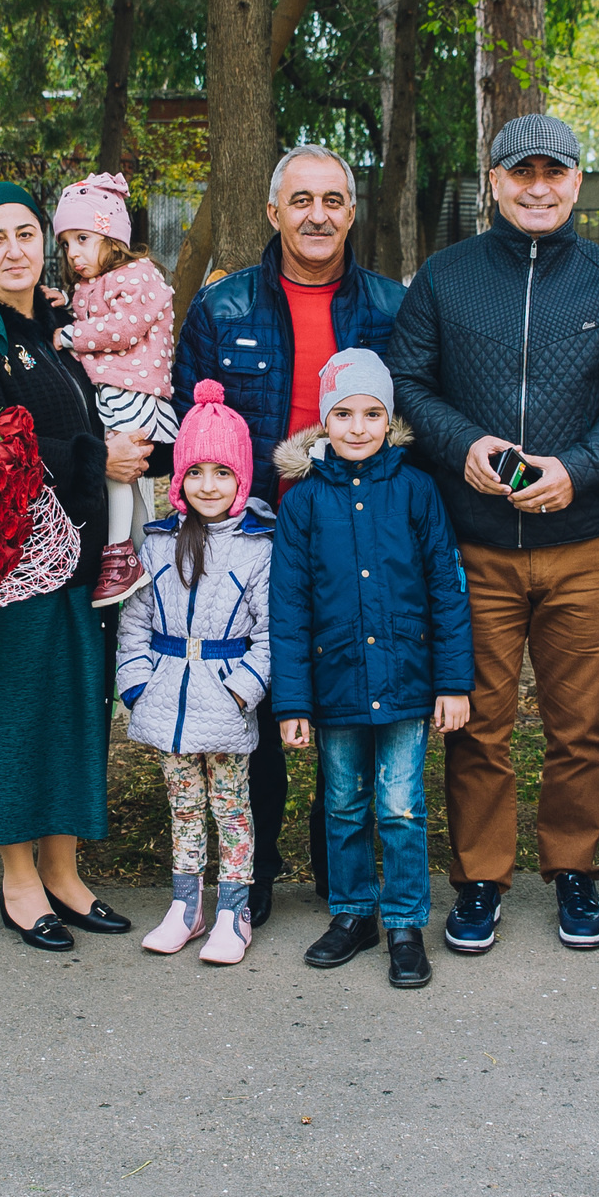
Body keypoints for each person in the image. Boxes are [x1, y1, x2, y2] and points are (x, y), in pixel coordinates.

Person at [390, 113, 599, 954]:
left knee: (580, 725)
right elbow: (407, 379)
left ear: (577, 183)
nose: (539, 187)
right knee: (479, 723)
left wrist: (578, 467)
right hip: (472, 546)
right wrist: (463, 444)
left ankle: (575, 872)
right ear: (496, 183)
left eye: (555, 172)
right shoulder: (445, 277)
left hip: (584, 544)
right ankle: (480, 881)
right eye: (522, 173)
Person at [172, 144, 407, 923]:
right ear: (274, 213)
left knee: (350, 702)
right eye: (300, 200)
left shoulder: (389, 308)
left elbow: (415, 421)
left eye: (333, 200)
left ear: (350, 213)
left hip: (358, 540)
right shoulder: (223, 307)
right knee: (258, 711)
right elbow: (193, 424)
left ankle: (339, 865)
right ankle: (258, 868)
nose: (317, 214)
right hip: (254, 539)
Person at [0, 182, 150, 953]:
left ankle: (65, 869)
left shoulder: (55, 324)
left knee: (70, 713)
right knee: (11, 718)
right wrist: (97, 456)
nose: (16, 249)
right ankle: (18, 879)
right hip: (6, 567)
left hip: (77, 558)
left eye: (26, 233)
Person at [270, 350, 475, 989]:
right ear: (323, 421)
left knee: (400, 806)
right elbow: (289, 605)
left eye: (372, 413)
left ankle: (406, 921)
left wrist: (453, 682)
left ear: (390, 420)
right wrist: (293, 702)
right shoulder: (303, 503)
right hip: (333, 683)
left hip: (408, 679)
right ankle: (353, 913)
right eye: (344, 413)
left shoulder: (416, 490)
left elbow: (447, 586)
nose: (358, 427)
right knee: (345, 803)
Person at [115, 381, 274, 965]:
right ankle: (186, 905)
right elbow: (135, 620)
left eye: (222, 473)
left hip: (225, 701)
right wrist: (136, 683)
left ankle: (234, 912)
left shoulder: (259, 547)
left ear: (242, 479)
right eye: (197, 472)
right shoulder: (157, 544)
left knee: (231, 807)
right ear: (178, 478)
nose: (209, 485)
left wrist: (242, 691)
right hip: (165, 698)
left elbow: (270, 634)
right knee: (182, 806)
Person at [52, 171, 178, 606]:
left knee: (117, 472)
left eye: (83, 239)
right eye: (66, 244)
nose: (73, 253)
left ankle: (120, 553)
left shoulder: (140, 276)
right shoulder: (91, 285)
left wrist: (69, 336)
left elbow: (121, 329)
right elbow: (88, 312)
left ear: (113, 238)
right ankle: (148, 556)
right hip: (114, 391)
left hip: (137, 391)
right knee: (128, 477)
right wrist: (59, 302)